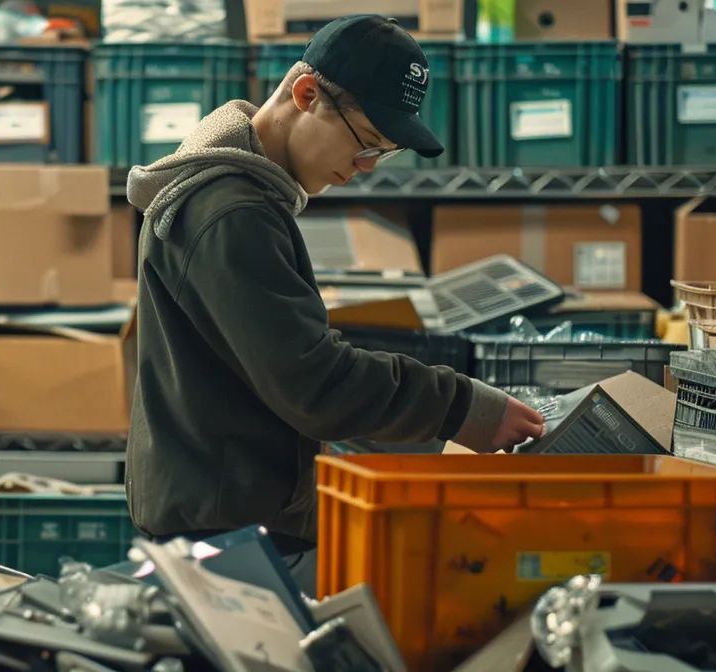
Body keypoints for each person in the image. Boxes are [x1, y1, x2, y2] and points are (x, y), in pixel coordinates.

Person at [121, 14, 547, 584]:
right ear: (306, 94)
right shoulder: (232, 214)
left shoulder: (235, 197)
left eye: (381, 155)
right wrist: (459, 407)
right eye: (366, 145)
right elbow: (312, 384)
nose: (362, 170)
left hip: (227, 514)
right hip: (230, 540)